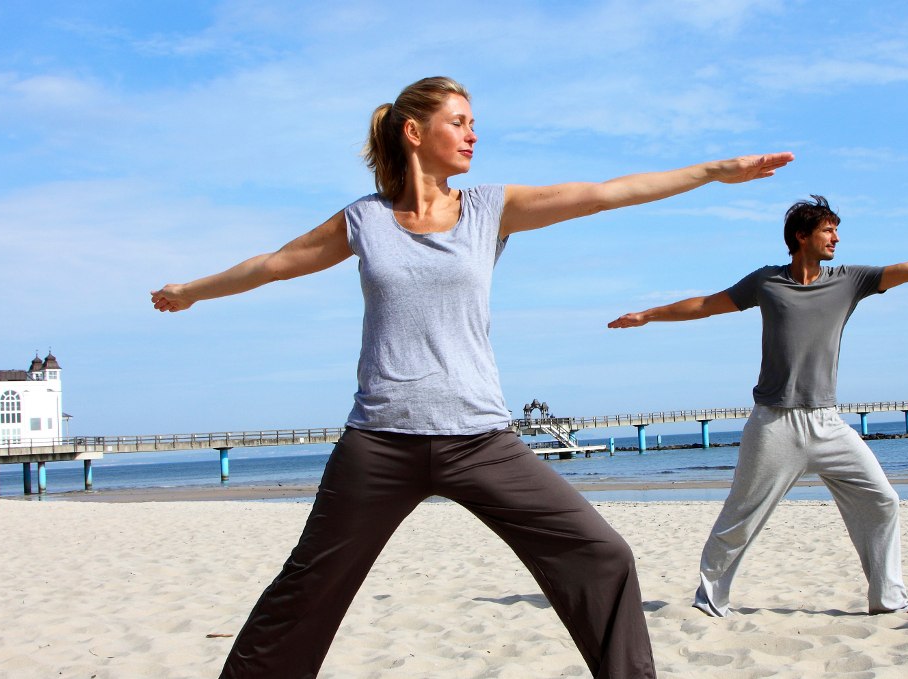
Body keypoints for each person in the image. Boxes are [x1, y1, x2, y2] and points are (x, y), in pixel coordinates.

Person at [150, 76, 792, 679]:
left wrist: (714, 172)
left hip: (481, 439)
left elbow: (605, 191)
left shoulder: (490, 208)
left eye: (473, 123)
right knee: (308, 585)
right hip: (379, 441)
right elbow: (276, 263)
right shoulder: (365, 221)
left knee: (602, 556)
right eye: (458, 122)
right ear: (412, 132)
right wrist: (192, 291)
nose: (472, 134)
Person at [607, 195, 908, 617]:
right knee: (742, 516)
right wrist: (647, 315)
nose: (836, 239)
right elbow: (705, 305)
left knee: (882, 501)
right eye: (828, 230)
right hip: (774, 424)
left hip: (827, 423)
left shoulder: (850, 280)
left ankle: (889, 601)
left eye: (836, 231)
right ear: (800, 236)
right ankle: (711, 600)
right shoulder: (766, 282)